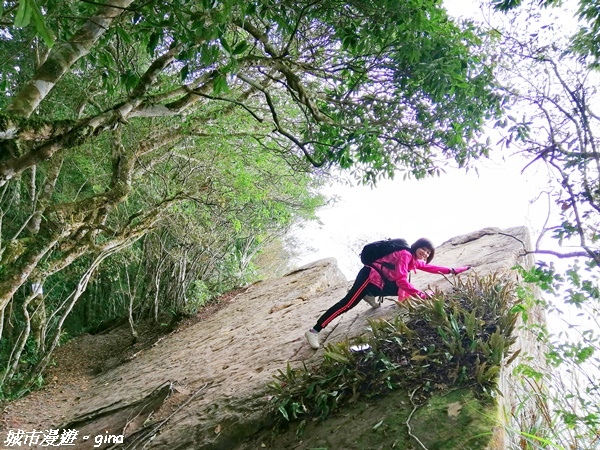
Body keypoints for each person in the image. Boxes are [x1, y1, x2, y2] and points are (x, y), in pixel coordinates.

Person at [304, 238, 471, 349]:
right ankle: (314, 331)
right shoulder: (405, 254)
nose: (425, 254)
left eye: (428, 253)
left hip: (379, 281)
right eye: (424, 249)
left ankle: (369, 295)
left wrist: (453, 270)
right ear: (416, 247)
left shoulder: (413, 260)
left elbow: (430, 268)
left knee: (402, 289)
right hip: (369, 276)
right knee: (348, 303)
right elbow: (400, 281)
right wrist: (420, 295)